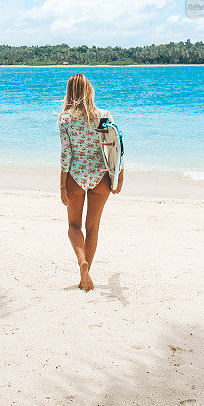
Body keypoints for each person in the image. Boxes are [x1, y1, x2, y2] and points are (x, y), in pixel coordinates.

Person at [58, 73, 123, 291]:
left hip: (75, 176)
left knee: (73, 227)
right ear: (89, 90)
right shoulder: (104, 115)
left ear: (69, 92)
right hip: (101, 177)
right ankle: (85, 274)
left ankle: (81, 263)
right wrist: (119, 176)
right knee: (92, 227)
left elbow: (66, 155)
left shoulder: (65, 119)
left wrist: (62, 185)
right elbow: (115, 147)